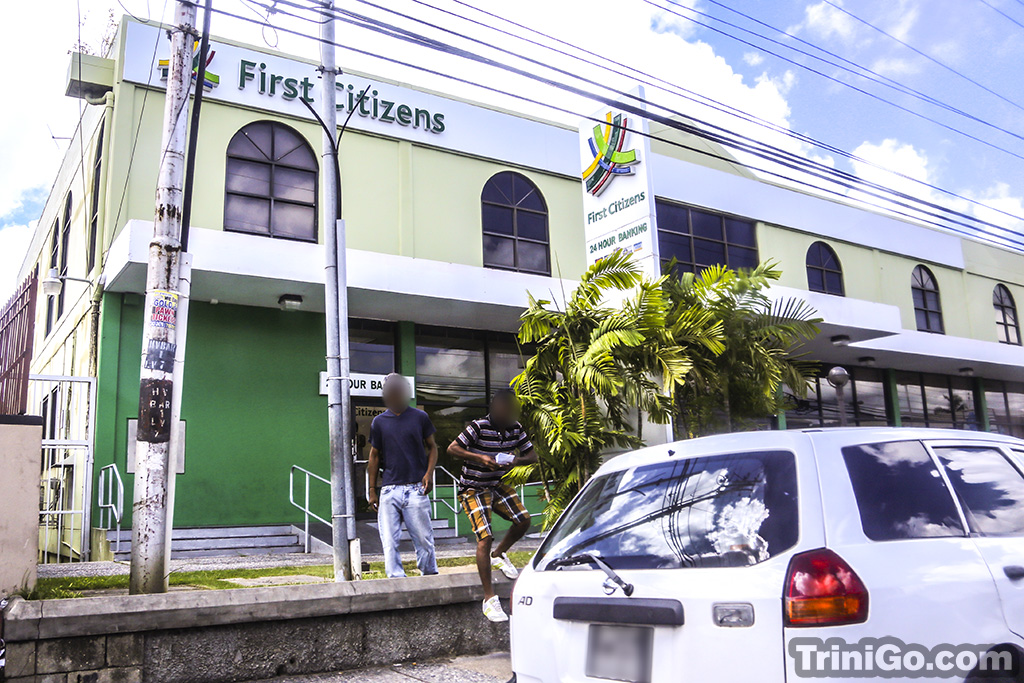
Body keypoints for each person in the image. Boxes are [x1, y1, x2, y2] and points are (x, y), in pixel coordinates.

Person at [447, 389, 538, 622]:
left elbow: (532, 456)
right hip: (472, 488)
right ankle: (489, 599)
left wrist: (514, 460)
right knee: (485, 537)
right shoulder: (478, 427)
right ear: (493, 407)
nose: (505, 413)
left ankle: (499, 555)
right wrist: (481, 458)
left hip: (496, 485)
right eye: (501, 409)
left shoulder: (515, 428)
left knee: (524, 519)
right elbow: (452, 449)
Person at [367, 374, 439, 578]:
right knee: (389, 540)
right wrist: (372, 490)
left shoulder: (419, 417)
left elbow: (433, 448)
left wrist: (429, 473)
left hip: (416, 487)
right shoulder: (379, 422)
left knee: (424, 538)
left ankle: (429, 575)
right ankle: (396, 579)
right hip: (389, 489)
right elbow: (374, 456)